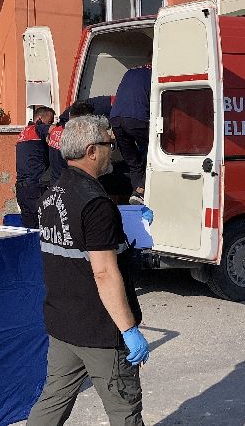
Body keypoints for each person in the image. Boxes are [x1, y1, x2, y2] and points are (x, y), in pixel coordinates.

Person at [27, 115, 149, 426]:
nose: (113, 151)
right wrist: (128, 329)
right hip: (101, 331)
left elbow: (74, 246)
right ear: (91, 151)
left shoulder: (52, 194)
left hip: (63, 324)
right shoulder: (95, 204)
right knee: (125, 412)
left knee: (52, 403)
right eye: (109, 144)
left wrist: (124, 225)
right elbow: (104, 272)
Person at [109, 58, 152, 205]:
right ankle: (142, 191)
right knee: (153, 155)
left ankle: (136, 195)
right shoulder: (154, 74)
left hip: (116, 119)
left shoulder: (130, 72)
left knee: (133, 163)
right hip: (136, 119)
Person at [16, 106, 56, 228]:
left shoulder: (24, 132)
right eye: (49, 121)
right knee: (45, 227)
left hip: (22, 188)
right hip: (36, 186)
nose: (51, 124)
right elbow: (55, 130)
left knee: (30, 228)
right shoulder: (38, 128)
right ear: (39, 119)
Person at [48, 100, 96, 184]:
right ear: (87, 118)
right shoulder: (77, 135)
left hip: (55, 181)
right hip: (70, 183)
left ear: (70, 114)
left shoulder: (55, 130)